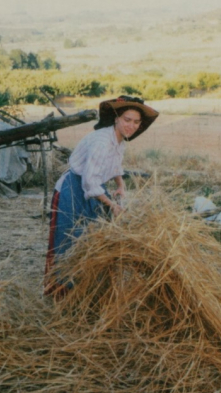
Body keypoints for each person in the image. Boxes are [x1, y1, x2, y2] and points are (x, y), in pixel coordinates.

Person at [44, 95, 159, 298]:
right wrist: (111, 205)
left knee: (94, 240)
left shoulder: (119, 141)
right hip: (73, 189)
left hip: (93, 189)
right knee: (69, 241)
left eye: (136, 122)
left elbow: (116, 166)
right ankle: (61, 296)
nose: (131, 126)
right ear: (116, 118)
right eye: (127, 120)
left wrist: (120, 185)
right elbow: (89, 182)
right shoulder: (101, 142)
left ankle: (86, 292)